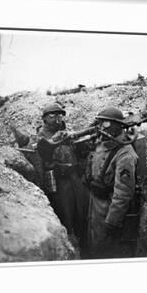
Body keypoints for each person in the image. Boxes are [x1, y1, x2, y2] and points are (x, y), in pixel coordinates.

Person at [85, 107, 139, 259]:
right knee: (94, 244)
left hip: (108, 210)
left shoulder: (125, 154)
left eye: (106, 123)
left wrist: (112, 221)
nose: (102, 127)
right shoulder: (102, 144)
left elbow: (123, 193)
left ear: (118, 126)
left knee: (108, 250)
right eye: (100, 123)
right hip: (95, 206)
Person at [37, 103, 89, 253]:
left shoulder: (65, 131)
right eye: (52, 116)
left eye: (59, 115)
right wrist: (55, 140)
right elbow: (44, 158)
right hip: (60, 181)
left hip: (75, 177)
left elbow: (78, 151)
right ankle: (71, 246)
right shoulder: (41, 136)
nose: (57, 119)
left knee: (82, 210)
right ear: (45, 119)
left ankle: (84, 243)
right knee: (66, 213)